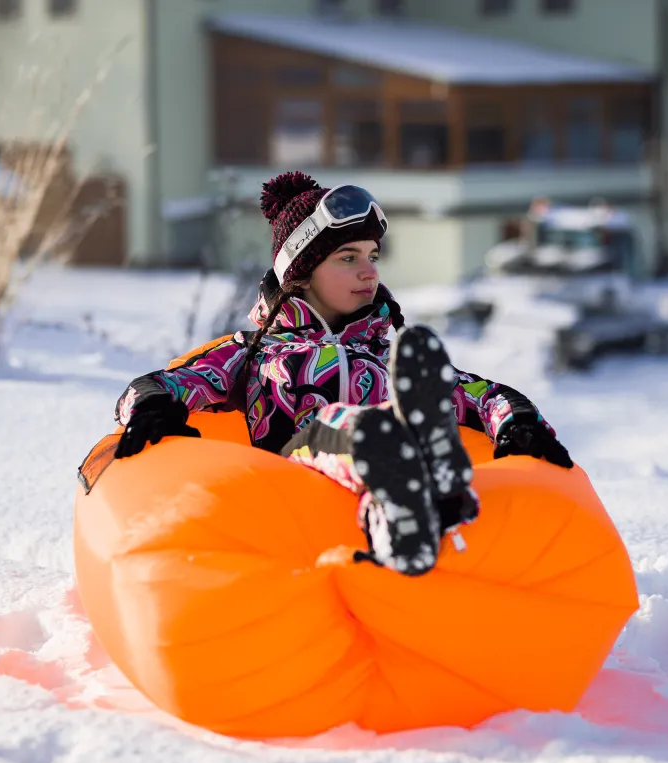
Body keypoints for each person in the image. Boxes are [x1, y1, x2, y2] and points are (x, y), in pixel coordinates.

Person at [112, 171, 572, 576]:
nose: (369, 271)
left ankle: (411, 502)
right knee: (339, 430)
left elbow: (477, 393)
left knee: (418, 399)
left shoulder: (390, 362)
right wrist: (153, 407)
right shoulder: (253, 353)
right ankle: (398, 472)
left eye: (373, 255)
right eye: (347, 258)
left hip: (370, 506)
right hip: (289, 496)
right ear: (301, 273)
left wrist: (518, 423)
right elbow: (166, 383)